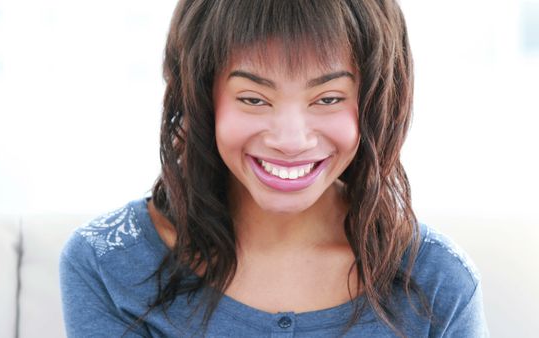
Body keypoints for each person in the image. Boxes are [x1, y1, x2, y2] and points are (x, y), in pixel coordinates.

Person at [59, 0, 489, 337]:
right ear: (202, 98)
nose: (290, 139)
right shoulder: (109, 262)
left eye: (328, 98)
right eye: (252, 98)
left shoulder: (437, 281)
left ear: (376, 103)